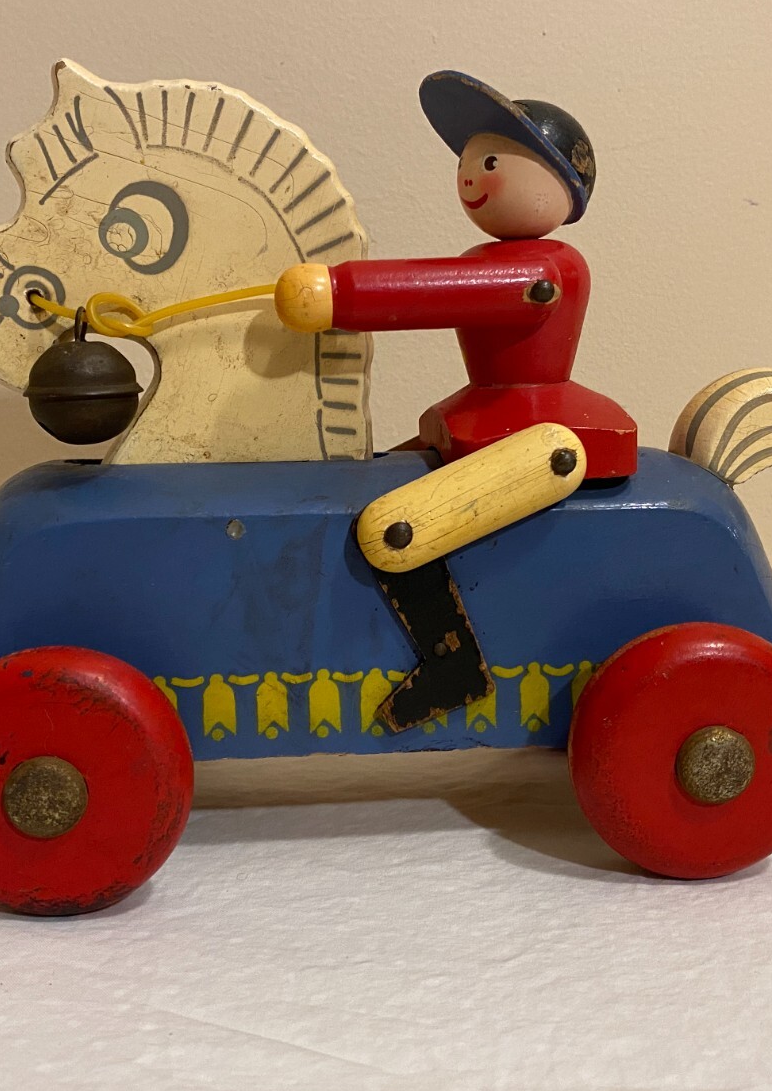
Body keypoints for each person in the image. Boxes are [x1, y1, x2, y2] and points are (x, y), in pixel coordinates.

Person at [273, 70, 638, 732]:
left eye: (491, 162)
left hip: (539, 433)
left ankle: (454, 667)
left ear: (558, 184)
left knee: (394, 526)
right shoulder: (504, 260)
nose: (471, 176)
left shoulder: (544, 270)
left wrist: (337, 294)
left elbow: (449, 289)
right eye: (469, 162)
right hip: (487, 414)